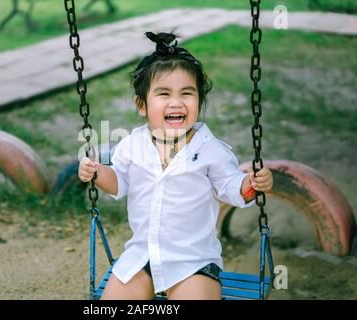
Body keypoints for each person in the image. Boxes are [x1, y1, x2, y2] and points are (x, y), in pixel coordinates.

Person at [78, 32, 273, 300]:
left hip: (193, 262)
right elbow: (120, 182)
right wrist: (98, 173)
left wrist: (251, 185)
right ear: (142, 105)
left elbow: (231, 187)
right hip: (142, 256)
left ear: (199, 101)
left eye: (187, 93)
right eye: (164, 93)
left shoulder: (211, 150)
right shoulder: (131, 145)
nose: (176, 102)